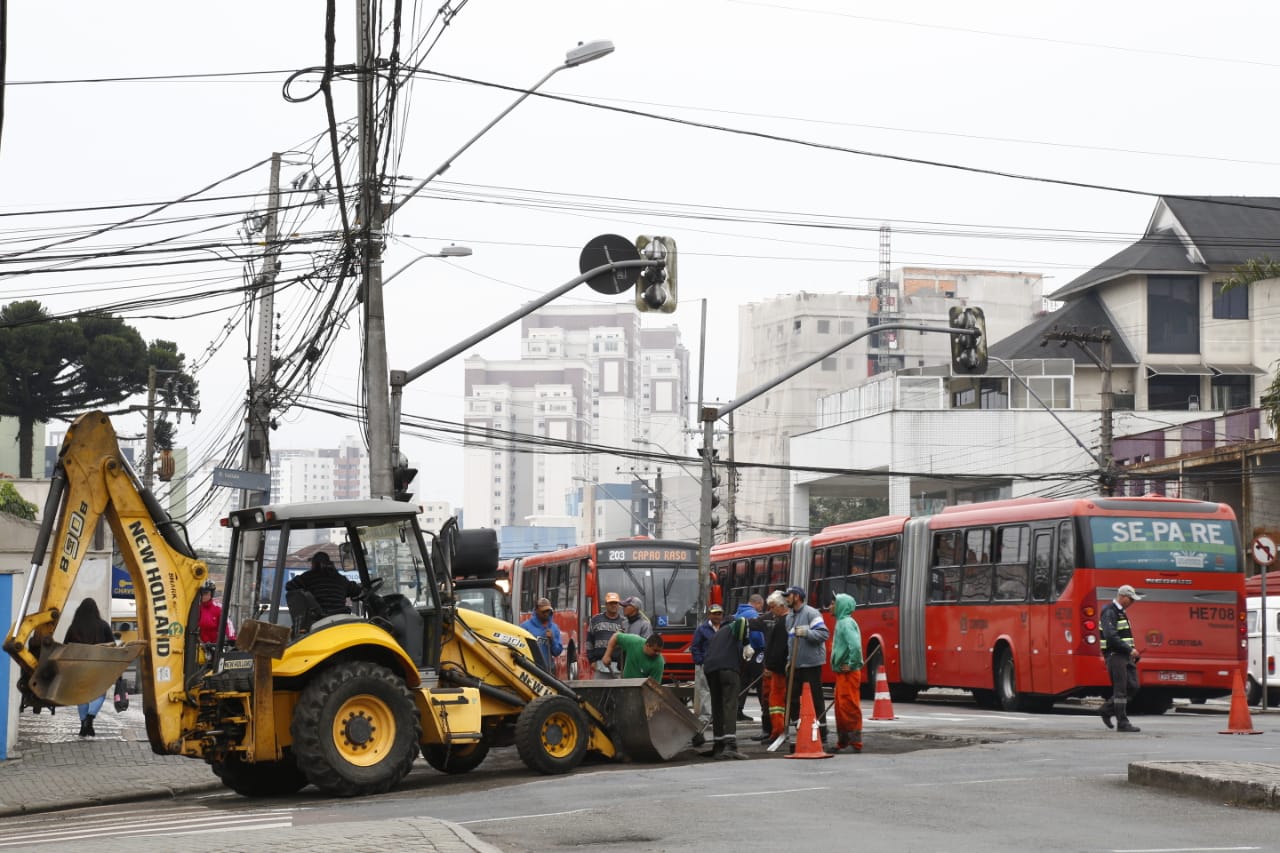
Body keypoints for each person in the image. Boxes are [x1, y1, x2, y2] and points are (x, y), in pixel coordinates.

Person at [702, 605, 753, 759]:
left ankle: (718, 745)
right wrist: (746, 643)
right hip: (728, 669)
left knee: (717, 706)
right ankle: (730, 745)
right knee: (730, 705)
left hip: (710, 669)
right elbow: (743, 621)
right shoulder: (733, 626)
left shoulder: (718, 634)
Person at [784, 585, 831, 748]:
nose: (786, 598)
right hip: (795, 664)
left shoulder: (812, 613)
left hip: (811, 664)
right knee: (792, 699)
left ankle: (822, 732)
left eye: (788, 595)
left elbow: (824, 634)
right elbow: (790, 642)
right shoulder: (789, 617)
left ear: (797, 596)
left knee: (816, 699)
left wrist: (807, 633)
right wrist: (789, 661)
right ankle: (799, 729)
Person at [1099, 583, 1145, 733]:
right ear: (1123, 597)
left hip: (1125, 656)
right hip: (1115, 655)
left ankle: (1106, 709)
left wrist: (1132, 652)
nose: (1133, 602)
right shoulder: (1109, 611)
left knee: (1133, 686)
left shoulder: (1120, 612)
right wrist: (1129, 649)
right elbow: (1110, 636)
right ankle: (1122, 723)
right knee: (1120, 691)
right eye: (1131, 599)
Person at [64, 598, 113, 737]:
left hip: (78, 667)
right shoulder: (103, 626)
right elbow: (112, 646)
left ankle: (83, 724)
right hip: (99, 666)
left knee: (82, 695)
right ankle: (90, 718)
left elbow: (66, 646)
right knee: (99, 693)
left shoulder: (73, 627)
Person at [829, 592, 864, 753]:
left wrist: (852, 664)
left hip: (848, 673)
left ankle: (854, 741)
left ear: (842, 606)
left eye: (833, 603)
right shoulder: (842, 622)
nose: (830, 606)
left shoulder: (845, 623)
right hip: (843, 673)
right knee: (842, 706)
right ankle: (843, 740)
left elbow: (855, 646)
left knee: (848, 705)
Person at [287, 551, 360, 618]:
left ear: (314, 564)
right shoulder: (340, 579)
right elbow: (356, 590)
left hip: (319, 619)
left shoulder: (308, 577)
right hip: (340, 618)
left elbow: (289, 586)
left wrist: (305, 592)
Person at [759, 590, 791, 742]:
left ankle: (777, 731)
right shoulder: (785, 622)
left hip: (778, 670)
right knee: (776, 701)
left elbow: (778, 649)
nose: (771, 611)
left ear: (780, 605)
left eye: (772, 607)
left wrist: (770, 667)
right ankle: (776, 730)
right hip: (781, 668)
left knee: (776, 702)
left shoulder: (782, 624)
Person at [690, 604, 724, 725]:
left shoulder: (725, 627)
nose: (717, 616)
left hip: (722, 665)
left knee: (720, 690)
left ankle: (719, 715)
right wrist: (700, 661)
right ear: (709, 615)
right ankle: (707, 716)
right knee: (705, 690)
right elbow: (695, 647)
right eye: (714, 613)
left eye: (719, 613)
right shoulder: (702, 629)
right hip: (706, 665)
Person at [739, 594, 767, 725]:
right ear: (758, 603)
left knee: (743, 682)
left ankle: (738, 711)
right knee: (761, 682)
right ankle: (765, 711)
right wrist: (762, 647)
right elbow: (756, 635)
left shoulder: (738, 613)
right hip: (754, 653)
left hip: (741, 653)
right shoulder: (753, 615)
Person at [586, 592, 627, 677]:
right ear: (606, 604)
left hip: (619, 666)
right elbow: (589, 641)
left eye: (615, 603)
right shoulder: (596, 619)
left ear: (618, 605)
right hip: (599, 665)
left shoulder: (625, 622)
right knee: (600, 690)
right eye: (611, 603)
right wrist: (591, 660)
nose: (613, 605)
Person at [601, 631, 665, 682]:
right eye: (655, 650)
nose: (657, 653)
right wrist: (607, 655)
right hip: (625, 682)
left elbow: (655, 686)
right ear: (647, 645)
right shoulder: (634, 642)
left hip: (642, 688)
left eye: (659, 651)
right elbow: (615, 636)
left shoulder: (659, 662)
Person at [520, 597, 564, 672]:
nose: (546, 614)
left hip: (548, 671)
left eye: (548, 611)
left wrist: (552, 640)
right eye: (543, 611)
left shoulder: (554, 628)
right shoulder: (525, 627)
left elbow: (557, 652)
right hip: (531, 669)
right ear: (536, 610)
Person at [198, 580, 236, 645]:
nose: (203, 596)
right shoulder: (197, 609)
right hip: (199, 645)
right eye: (202, 594)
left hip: (215, 646)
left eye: (206, 593)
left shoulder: (218, 608)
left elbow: (228, 623)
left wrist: (232, 638)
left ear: (211, 594)